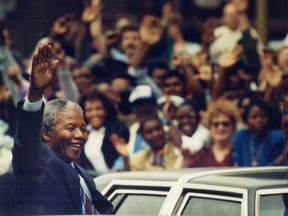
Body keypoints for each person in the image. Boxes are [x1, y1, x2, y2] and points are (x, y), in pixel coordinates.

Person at [11, 44, 113, 215]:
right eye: (71, 128)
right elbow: (26, 142)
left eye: (83, 128)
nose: (80, 135)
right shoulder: (39, 164)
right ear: (45, 133)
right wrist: (35, 94)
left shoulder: (83, 176)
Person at [77, 90, 130, 176]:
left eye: (98, 109)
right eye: (89, 110)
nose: (94, 113)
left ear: (106, 110)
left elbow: (126, 158)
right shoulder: (83, 134)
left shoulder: (119, 130)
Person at [185, 99, 239, 167]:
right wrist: (183, 157)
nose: (221, 128)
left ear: (233, 127)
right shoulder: (201, 155)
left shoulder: (240, 153)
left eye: (226, 124)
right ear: (209, 127)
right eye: (216, 124)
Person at [232, 97, 285, 166]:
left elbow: (277, 168)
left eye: (263, 116)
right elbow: (237, 163)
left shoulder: (277, 137)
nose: (259, 120)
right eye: (254, 117)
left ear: (269, 118)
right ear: (246, 120)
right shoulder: (240, 137)